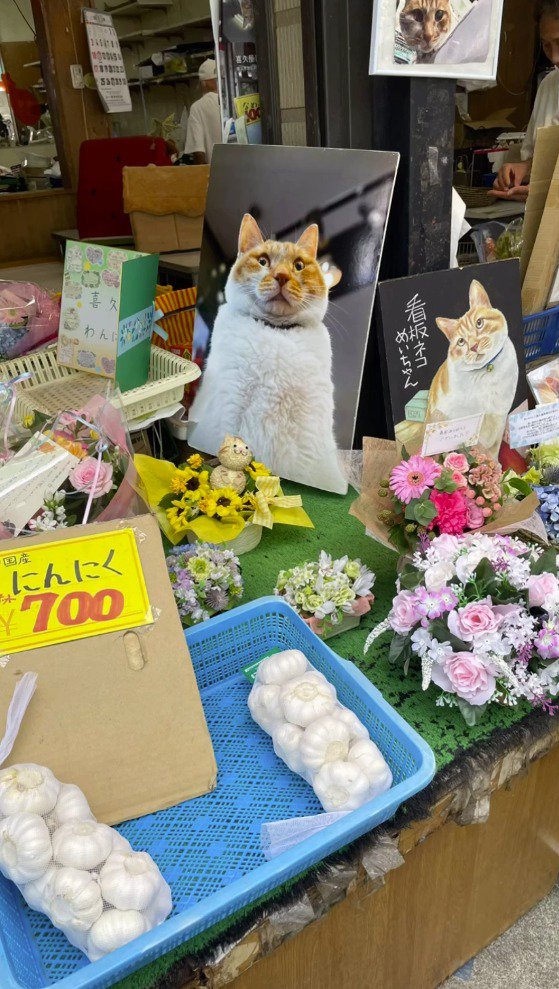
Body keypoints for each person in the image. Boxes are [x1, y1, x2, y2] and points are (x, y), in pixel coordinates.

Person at [492, 0, 559, 201]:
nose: (554, 57)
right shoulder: (549, 85)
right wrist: (522, 170)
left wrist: (546, 192)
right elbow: (542, 160)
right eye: (546, 45)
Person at [184, 59, 222, 165]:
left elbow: (198, 151)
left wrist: (202, 178)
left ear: (204, 83)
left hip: (217, 174)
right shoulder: (233, 99)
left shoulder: (197, 107)